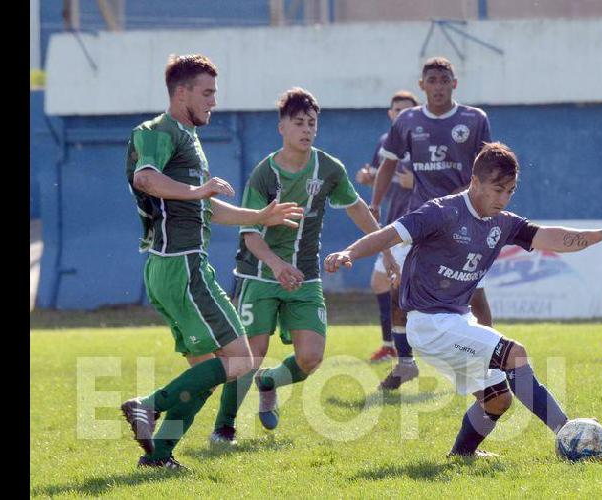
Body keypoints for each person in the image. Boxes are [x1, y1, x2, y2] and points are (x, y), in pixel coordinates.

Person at [325, 142, 602, 457]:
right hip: (429, 322)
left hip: (456, 322)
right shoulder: (442, 211)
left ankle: (462, 455)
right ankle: (570, 435)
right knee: (515, 354)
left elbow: (551, 237)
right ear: (476, 182)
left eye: (510, 191)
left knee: (497, 399)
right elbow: (389, 234)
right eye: (497, 189)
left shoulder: (504, 223)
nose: (503, 198)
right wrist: (350, 251)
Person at [119, 54, 304, 470]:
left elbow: (207, 208)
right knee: (240, 361)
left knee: (209, 368)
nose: (213, 102)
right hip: (180, 264)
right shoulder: (157, 131)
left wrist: (259, 216)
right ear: (181, 92)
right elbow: (145, 178)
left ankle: (159, 455)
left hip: (175, 266)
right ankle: (148, 405)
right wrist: (199, 191)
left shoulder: (187, 136)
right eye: (207, 93)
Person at [209, 87, 399, 446]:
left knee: (311, 357)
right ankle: (225, 427)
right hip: (260, 273)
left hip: (306, 275)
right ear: (281, 126)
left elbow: (357, 207)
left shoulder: (328, 168)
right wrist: (278, 265)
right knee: (249, 356)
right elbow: (250, 234)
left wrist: (385, 249)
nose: (307, 129)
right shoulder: (265, 174)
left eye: (312, 123)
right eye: (298, 123)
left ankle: (271, 382)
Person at [369, 56, 495, 390]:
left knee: (474, 292)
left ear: (455, 83)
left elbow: (483, 172)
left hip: (464, 218)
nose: (438, 86)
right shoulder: (408, 121)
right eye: (432, 80)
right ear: (421, 84)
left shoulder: (474, 119)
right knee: (398, 288)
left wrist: (457, 200)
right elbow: (387, 165)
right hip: (421, 222)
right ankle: (406, 363)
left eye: (444, 79)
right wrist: (376, 203)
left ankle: (491, 360)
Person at [354, 90, 419, 363]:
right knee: (381, 282)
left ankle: (405, 349)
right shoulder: (386, 141)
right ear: (390, 114)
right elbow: (381, 174)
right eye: (396, 110)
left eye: (406, 110)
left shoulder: (423, 140)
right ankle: (392, 345)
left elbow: (439, 179)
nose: (401, 114)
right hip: (392, 222)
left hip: (414, 222)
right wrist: (367, 178)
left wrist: (414, 183)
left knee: (397, 286)